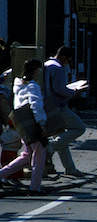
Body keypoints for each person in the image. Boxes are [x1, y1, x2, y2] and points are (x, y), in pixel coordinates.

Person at [0, 58, 48, 193]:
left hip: (21, 123)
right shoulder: (33, 86)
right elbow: (36, 106)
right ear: (36, 70)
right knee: (39, 155)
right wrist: (42, 123)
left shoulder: (18, 84)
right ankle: (35, 187)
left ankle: (1, 174)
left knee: (26, 155)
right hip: (33, 124)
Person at [42, 46, 87, 178]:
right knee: (79, 128)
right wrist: (75, 91)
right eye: (68, 60)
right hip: (58, 106)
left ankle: (70, 168)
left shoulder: (47, 64)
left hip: (47, 105)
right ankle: (50, 148)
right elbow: (59, 89)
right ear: (62, 56)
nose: (67, 63)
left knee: (61, 136)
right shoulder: (57, 68)